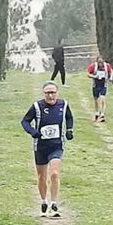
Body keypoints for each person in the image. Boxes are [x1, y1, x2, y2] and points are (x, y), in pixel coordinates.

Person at [21, 81, 74, 217]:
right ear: (44, 94)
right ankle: (44, 201)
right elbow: (25, 121)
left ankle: (54, 204)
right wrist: (33, 132)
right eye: (48, 93)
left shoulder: (63, 105)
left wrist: (69, 130)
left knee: (55, 173)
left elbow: (69, 117)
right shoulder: (37, 106)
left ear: (57, 93)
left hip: (56, 145)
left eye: (53, 92)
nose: (51, 96)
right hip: (41, 146)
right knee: (41, 176)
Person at [86, 55, 113, 122]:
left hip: (103, 84)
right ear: (97, 62)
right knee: (96, 99)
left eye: (101, 62)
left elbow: (111, 71)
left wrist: (111, 78)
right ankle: (97, 112)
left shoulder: (107, 66)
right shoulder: (93, 66)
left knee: (102, 98)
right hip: (95, 84)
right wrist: (94, 76)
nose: (100, 64)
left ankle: (102, 114)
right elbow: (87, 73)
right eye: (99, 62)